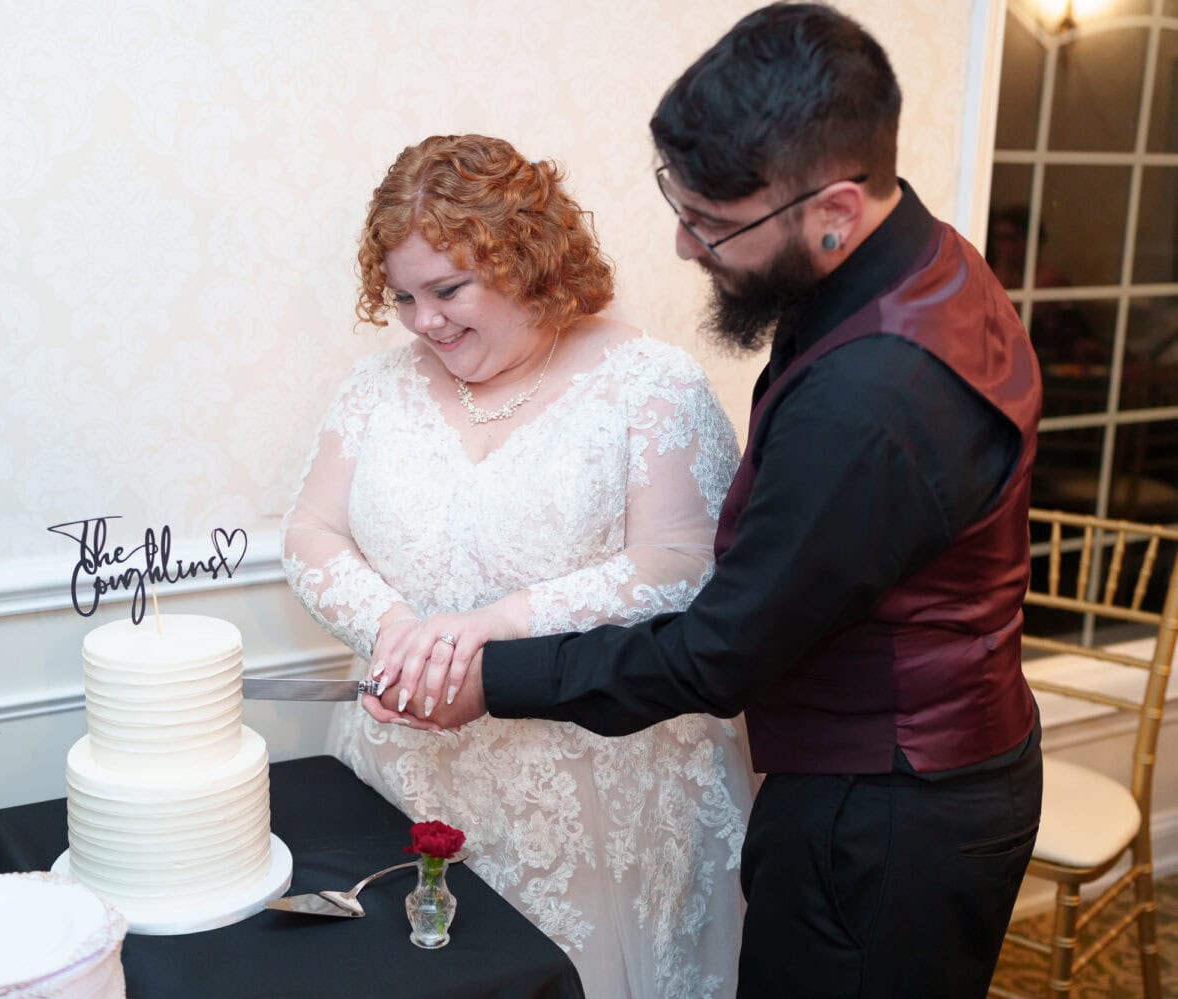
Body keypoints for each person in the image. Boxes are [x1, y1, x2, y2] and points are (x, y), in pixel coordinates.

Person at [378, 6, 1044, 997]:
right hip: (927, 771)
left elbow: (721, 651)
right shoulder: (911, 259)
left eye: (714, 223)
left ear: (838, 208)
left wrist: (496, 680)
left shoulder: (875, 397)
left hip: (885, 820)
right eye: (677, 207)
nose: (686, 248)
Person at [283, 133, 752, 998]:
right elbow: (311, 531)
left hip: (600, 792)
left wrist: (495, 625)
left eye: (449, 289)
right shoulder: (377, 389)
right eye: (403, 297)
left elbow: (683, 565)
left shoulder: (651, 385)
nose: (425, 321)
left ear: (531, 259)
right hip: (409, 774)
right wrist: (395, 632)